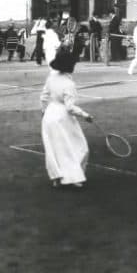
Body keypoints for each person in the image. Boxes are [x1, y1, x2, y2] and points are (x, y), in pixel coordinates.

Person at [40, 49, 93, 190]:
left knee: (54, 148)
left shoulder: (51, 77)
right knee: (79, 146)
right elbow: (70, 107)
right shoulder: (69, 84)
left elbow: (43, 97)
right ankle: (74, 177)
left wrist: (44, 111)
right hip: (62, 117)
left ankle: (58, 177)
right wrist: (85, 115)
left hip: (49, 115)